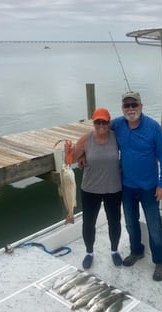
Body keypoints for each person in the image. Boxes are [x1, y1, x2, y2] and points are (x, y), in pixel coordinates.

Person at [111, 91, 162, 281]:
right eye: (127, 106)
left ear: (141, 106)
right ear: (122, 108)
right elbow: (97, 133)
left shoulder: (153, 127)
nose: (130, 109)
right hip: (127, 186)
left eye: (134, 105)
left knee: (154, 225)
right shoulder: (117, 124)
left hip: (149, 187)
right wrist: (81, 154)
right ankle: (137, 251)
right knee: (130, 222)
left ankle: (160, 261)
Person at [65, 108, 122, 269]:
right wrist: (72, 153)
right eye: (98, 122)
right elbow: (70, 160)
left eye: (104, 121)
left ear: (109, 122)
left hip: (114, 188)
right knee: (88, 223)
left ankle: (114, 250)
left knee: (114, 222)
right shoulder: (86, 139)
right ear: (93, 122)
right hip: (90, 189)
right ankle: (89, 252)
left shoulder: (116, 138)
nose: (101, 125)